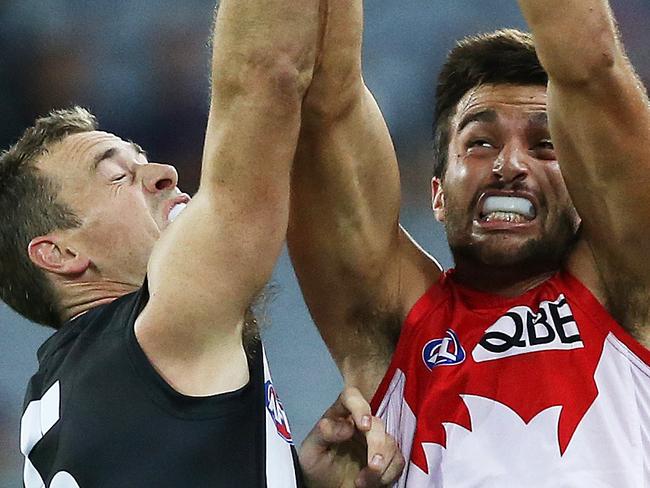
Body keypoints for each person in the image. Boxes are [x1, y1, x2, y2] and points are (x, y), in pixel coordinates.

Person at [2, 0, 404, 486]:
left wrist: (292, 476)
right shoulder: (160, 331)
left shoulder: (69, 390)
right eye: (116, 175)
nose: (163, 173)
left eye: (142, 159)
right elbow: (270, 71)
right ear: (60, 254)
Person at [289, 0, 650, 485]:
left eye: (544, 145)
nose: (510, 166)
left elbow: (590, 60)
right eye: (481, 142)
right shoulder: (399, 325)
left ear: (583, 192)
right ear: (437, 194)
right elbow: (323, 103)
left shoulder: (628, 294)